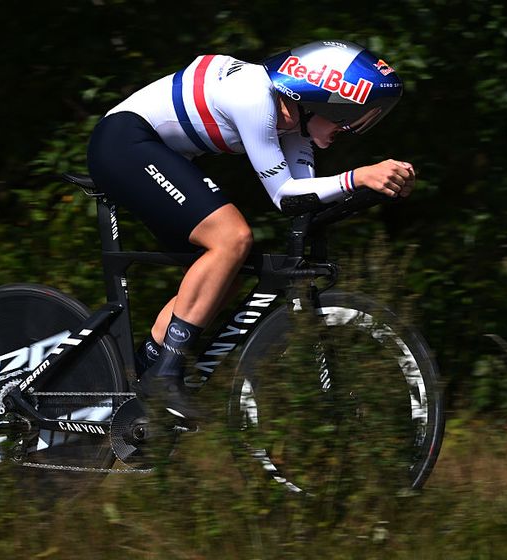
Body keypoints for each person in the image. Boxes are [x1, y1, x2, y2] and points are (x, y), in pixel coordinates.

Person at [86, 40, 416, 420]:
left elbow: (306, 201)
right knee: (232, 238)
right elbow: (284, 196)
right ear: (321, 98)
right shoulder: (254, 95)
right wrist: (361, 176)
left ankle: (144, 373)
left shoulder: (293, 123)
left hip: (157, 153)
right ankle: (165, 374)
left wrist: (377, 191)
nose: (351, 128)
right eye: (348, 116)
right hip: (123, 142)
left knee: (225, 274)